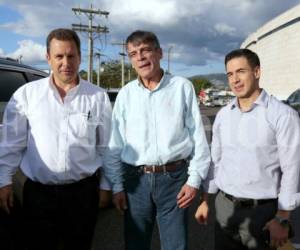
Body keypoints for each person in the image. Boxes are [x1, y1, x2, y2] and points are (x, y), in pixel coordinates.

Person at [0, 28, 112, 250]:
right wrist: (3, 181)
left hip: (83, 195)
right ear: (48, 58)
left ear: (80, 57)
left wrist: (107, 185)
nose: (65, 63)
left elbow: (107, 147)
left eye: (71, 56)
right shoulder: (26, 95)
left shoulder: (97, 97)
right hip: (39, 196)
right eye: (59, 56)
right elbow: (11, 144)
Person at [103, 30, 211, 250]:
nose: (140, 57)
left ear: (159, 53)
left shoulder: (181, 87)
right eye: (133, 53)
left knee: (175, 245)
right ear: (131, 61)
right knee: (135, 244)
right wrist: (116, 186)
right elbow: (115, 144)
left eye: (145, 50)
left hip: (173, 180)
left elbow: (198, 137)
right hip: (135, 181)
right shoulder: (126, 94)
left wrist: (194, 181)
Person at [195, 48, 300, 250]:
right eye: (230, 74)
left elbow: (292, 170)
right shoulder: (224, 116)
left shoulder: (283, 116)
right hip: (225, 208)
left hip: (262, 212)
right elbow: (216, 161)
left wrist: (283, 218)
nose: (235, 79)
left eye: (241, 71)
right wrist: (205, 200)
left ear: (257, 72)